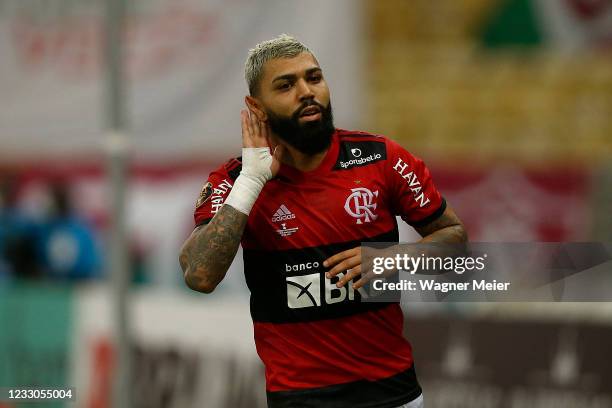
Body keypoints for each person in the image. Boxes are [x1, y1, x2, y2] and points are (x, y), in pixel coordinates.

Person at [179, 34, 467, 408]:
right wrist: (251, 182)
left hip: (394, 394)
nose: (306, 92)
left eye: (313, 78)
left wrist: (393, 256)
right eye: (286, 85)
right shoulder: (235, 181)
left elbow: (455, 242)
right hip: (300, 398)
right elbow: (200, 275)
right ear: (257, 107)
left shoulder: (381, 160)